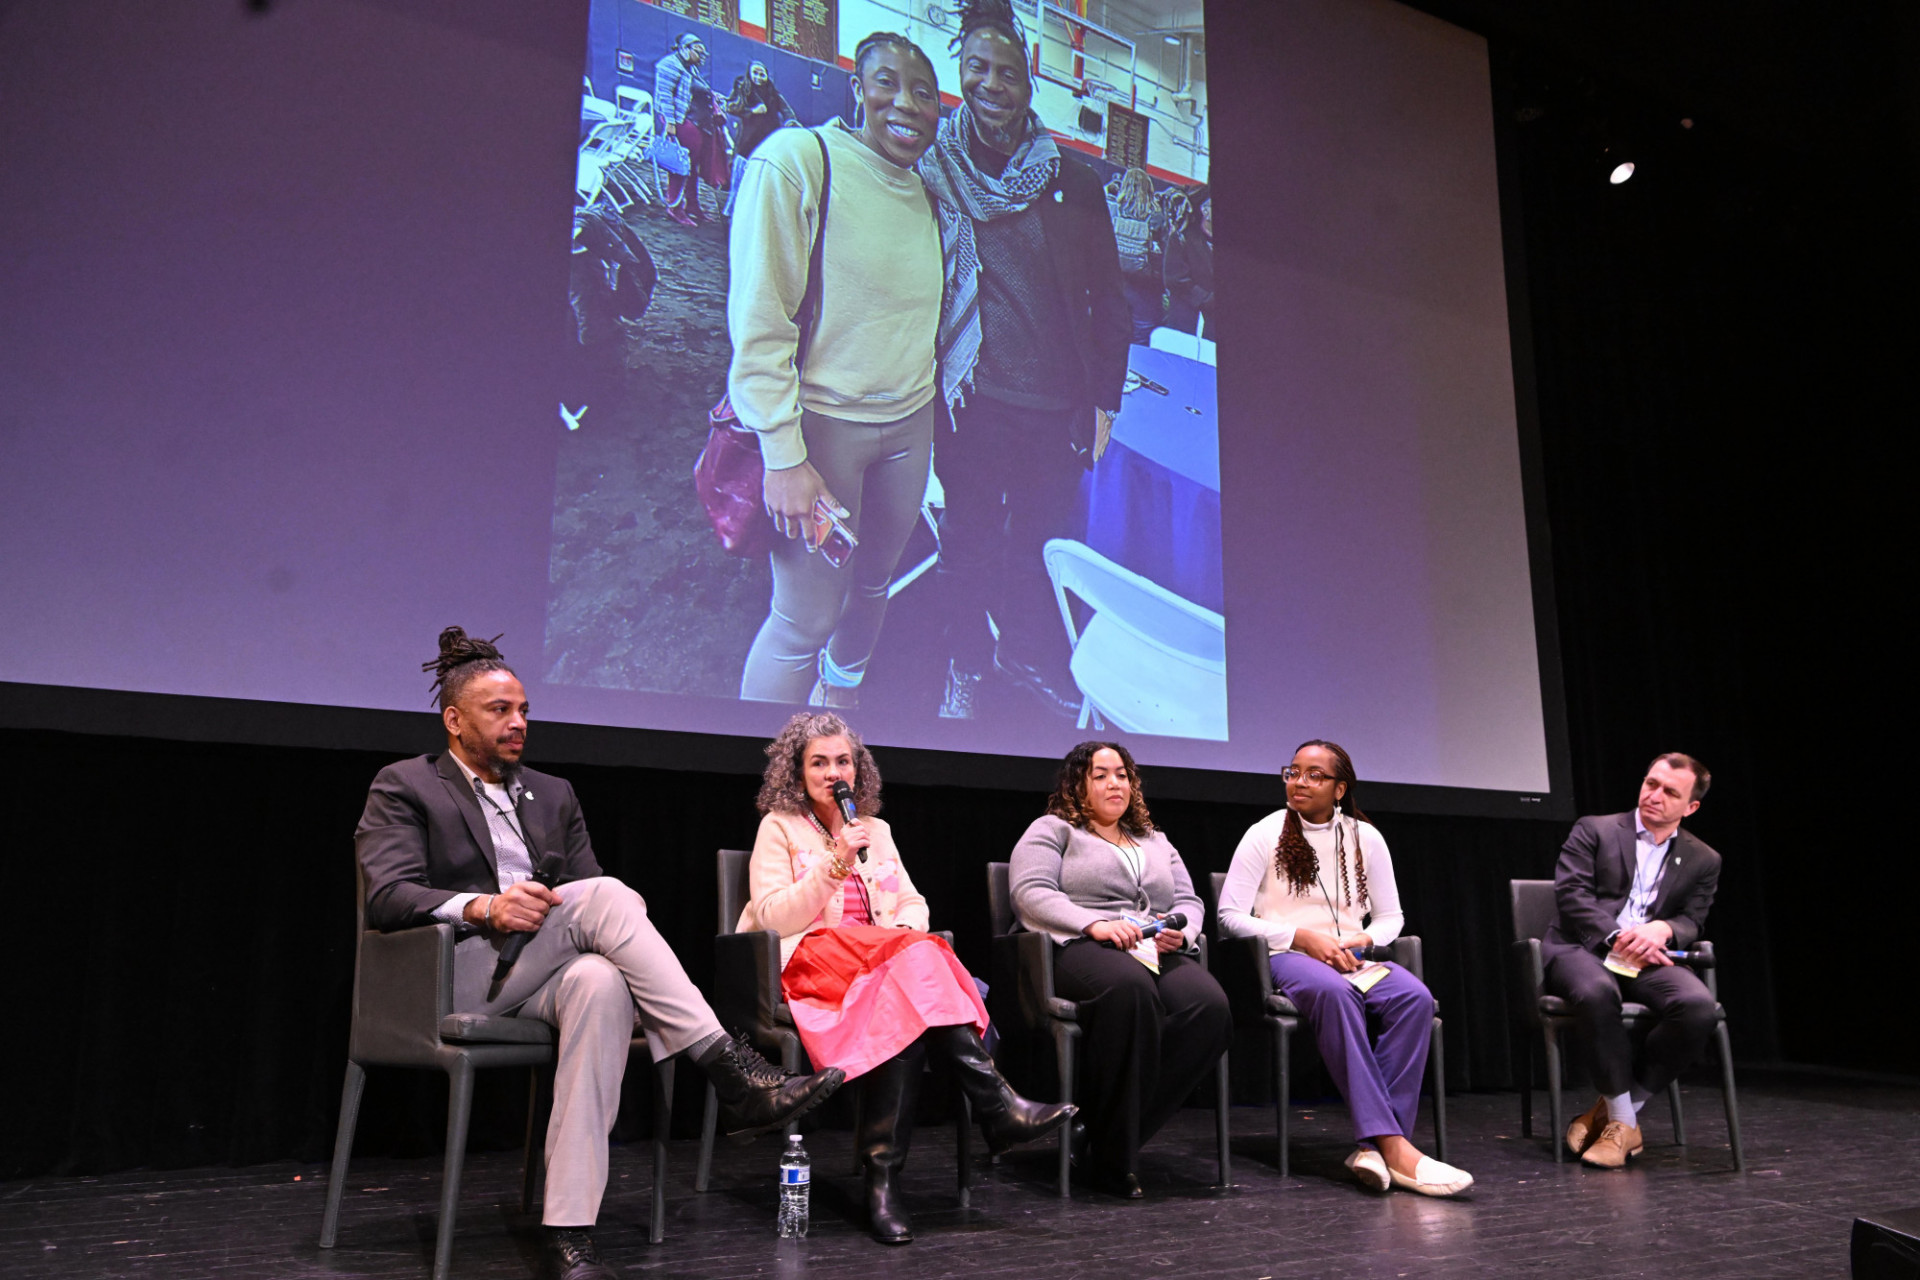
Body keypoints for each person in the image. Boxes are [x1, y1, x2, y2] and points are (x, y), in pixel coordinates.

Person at [355, 628, 843, 1280]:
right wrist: (484, 906)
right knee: (611, 901)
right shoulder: (406, 784)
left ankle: (568, 1233)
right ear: (454, 719)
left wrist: (557, 914)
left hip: (543, 967)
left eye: (524, 709)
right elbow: (387, 895)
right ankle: (729, 1069)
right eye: (500, 711)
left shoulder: (552, 794)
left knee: (601, 983)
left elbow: (590, 904)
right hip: (455, 970)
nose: (518, 723)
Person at [740, 712, 1074, 1243]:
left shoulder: (877, 831)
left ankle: (884, 1184)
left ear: (858, 768)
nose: (833, 773)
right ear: (796, 772)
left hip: (879, 966)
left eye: (843, 761)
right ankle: (998, 1104)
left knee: (909, 988)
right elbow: (773, 917)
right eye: (819, 763)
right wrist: (835, 864)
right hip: (809, 959)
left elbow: (913, 902)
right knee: (918, 960)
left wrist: (902, 931)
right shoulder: (778, 827)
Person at [918, 0, 1131, 722]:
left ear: (1028, 82)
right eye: (977, 67)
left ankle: (1020, 653)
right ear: (960, 71)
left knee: (1037, 547)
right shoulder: (933, 169)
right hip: (972, 403)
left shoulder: (1073, 180)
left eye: (1007, 70)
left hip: (1054, 413)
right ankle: (965, 663)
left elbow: (1111, 297)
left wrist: (1106, 401)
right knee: (969, 542)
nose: (991, 82)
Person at [729, 33, 944, 708]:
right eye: (887, 84)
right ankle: (757, 767)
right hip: (824, 433)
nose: (906, 103)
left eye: (924, 92)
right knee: (805, 619)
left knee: (874, 582)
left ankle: (838, 704)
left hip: (909, 426)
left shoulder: (928, 194)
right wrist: (784, 456)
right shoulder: (799, 162)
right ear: (856, 87)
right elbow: (760, 326)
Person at [1216, 740, 1474, 1197]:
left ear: (1340, 788)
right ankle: (1398, 1148)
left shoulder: (1365, 838)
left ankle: (1372, 1148)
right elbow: (1229, 916)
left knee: (1415, 999)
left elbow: (1392, 917)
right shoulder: (1265, 833)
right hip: (1288, 957)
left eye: (1315, 775)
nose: (1299, 782)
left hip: (1353, 958)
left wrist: (1366, 938)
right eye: (1293, 772)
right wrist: (1301, 937)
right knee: (1336, 994)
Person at [1009, 741, 1232, 1197]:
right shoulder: (1052, 830)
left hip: (1153, 946)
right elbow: (1031, 892)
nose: (1115, 783)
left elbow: (1188, 900)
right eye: (1101, 775)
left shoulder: (1155, 840)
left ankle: (1100, 1132)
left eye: (1122, 774)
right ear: (1078, 785)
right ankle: (1116, 1161)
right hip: (1078, 944)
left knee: (1210, 1008)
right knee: (1132, 992)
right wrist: (1094, 923)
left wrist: (1181, 932)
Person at [1544, 752, 1722, 1169]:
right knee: (1596, 992)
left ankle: (1616, 1116)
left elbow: (1691, 920)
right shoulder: (1596, 829)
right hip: (1583, 949)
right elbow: (1572, 896)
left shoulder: (1704, 858)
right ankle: (1623, 1120)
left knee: (1697, 1008)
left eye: (1670, 792)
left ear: (1691, 806)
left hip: (1647, 959)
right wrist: (1619, 936)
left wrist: (1663, 930)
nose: (1654, 795)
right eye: (1651, 783)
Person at [653, 33, 721, 226]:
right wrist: (671, 124)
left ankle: (692, 205)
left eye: (703, 53)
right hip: (682, 120)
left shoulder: (690, 68)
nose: (701, 56)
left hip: (697, 121)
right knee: (680, 164)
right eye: (698, 51)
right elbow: (665, 95)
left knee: (693, 164)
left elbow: (695, 90)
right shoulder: (669, 65)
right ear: (684, 48)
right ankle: (675, 207)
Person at [722, 61, 793, 218]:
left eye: (762, 74)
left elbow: (786, 109)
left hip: (769, 139)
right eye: (755, 73)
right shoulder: (743, 88)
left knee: (764, 176)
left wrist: (790, 121)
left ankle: (756, 213)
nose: (759, 77)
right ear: (750, 73)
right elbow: (731, 107)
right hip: (748, 140)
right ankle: (731, 212)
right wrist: (752, 110)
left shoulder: (772, 92)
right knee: (739, 178)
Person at [1106, 166, 1167, 343]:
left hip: (1116, 283)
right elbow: (1164, 256)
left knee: (1113, 334)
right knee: (1142, 338)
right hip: (1146, 289)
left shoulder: (1113, 211)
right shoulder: (1157, 218)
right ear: (1149, 189)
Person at [1162, 193, 1213, 337]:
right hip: (1185, 319)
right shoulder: (1181, 237)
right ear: (1205, 211)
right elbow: (1174, 279)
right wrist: (1207, 299)